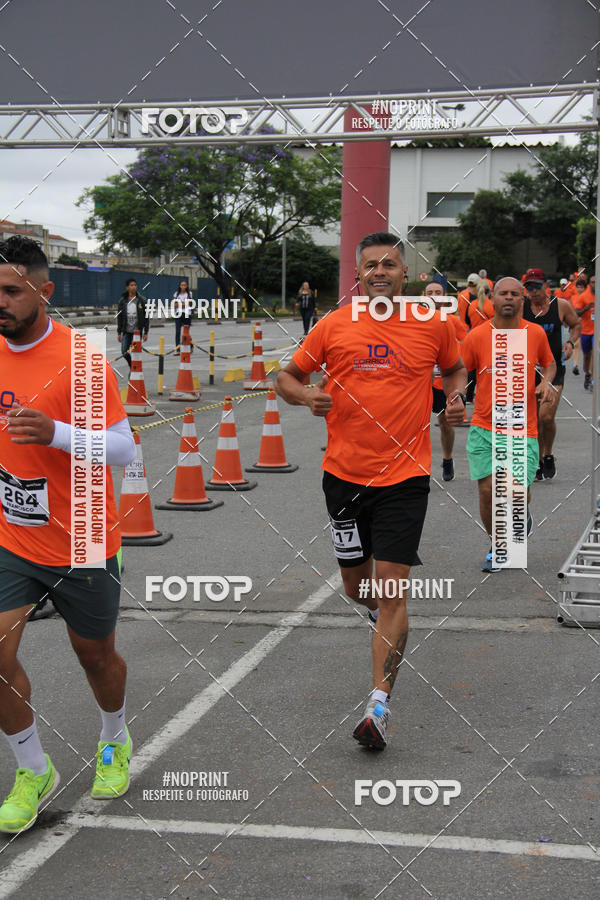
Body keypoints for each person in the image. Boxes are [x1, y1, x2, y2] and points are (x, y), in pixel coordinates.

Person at [276, 232, 467, 750]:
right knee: (358, 589)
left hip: (405, 478)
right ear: (357, 276)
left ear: (405, 273)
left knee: (390, 590)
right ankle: (376, 615)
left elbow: (454, 367)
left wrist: (454, 399)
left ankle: (378, 706)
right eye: (369, 266)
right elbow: (286, 377)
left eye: (389, 264)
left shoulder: (433, 323)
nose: (379, 272)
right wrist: (305, 396)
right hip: (342, 477)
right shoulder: (334, 325)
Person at [0, 236, 136, 834]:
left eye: (11, 290)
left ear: (43, 291)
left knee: (94, 654)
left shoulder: (81, 360)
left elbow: (125, 450)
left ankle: (114, 736)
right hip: (11, 538)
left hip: (82, 533)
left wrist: (56, 432)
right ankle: (33, 768)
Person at [461, 277, 555, 573]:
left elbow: (549, 363)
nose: (509, 298)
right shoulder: (477, 336)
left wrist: (547, 383)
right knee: (489, 491)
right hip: (483, 426)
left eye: (515, 294)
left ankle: (519, 516)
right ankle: (498, 545)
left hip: (522, 427)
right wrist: (454, 397)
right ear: (493, 298)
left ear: (522, 299)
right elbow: (460, 371)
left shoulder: (535, 333)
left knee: (516, 492)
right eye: (503, 293)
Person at [521, 268, 581, 479]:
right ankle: (537, 460)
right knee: (534, 419)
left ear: (545, 285)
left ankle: (548, 453)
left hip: (554, 368)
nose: (533, 291)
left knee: (546, 416)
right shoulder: (522, 307)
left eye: (537, 286)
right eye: (529, 287)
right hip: (529, 371)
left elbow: (576, 325)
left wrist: (570, 343)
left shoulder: (560, 306)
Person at [426, 281, 468, 482]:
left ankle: (448, 458)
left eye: (438, 292)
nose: (434, 295)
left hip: (443, 382)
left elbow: (465, 346)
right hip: (422, 382)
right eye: (430, 292)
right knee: (416, 424)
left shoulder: (454, 322)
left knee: (444, 423)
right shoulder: (415, 320)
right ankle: (417, 465)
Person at [116, 278, 149, 368]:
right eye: (131, 285)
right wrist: (119, 332)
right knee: (124, 351)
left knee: (135, 352)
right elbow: (119, 317)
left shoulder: (142, 300)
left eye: (135, 285)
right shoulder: (122, 301)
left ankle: (134, 372)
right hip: (126, 331)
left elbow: (146, 317)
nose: (134, 287)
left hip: (137, 332)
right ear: (127, 287)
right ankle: (132, 366)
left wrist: (146, 332)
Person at [571, 276, 595, 391]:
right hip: (586, 330)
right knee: (587, 356)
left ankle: (594, 379)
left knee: (595, 353)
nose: (595, 284)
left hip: (597, 331)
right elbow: (577, 313)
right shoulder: (583, 297)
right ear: (590, 283)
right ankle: (587, 374)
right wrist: (587, 308)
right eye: (593, 282)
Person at [173, 279, 193, 351]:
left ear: (186, 286)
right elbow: (175, 305)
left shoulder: (189, 293)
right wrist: (182, 304)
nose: (183, 286)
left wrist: (180, 304)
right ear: (179, 286)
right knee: (177, 331)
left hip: (187, 314)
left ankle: (191, 346)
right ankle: (177, 349)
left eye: (184, 285)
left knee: (186, 331)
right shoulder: (176, 294)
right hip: (178, 314)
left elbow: (187, 304)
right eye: (182, 285)